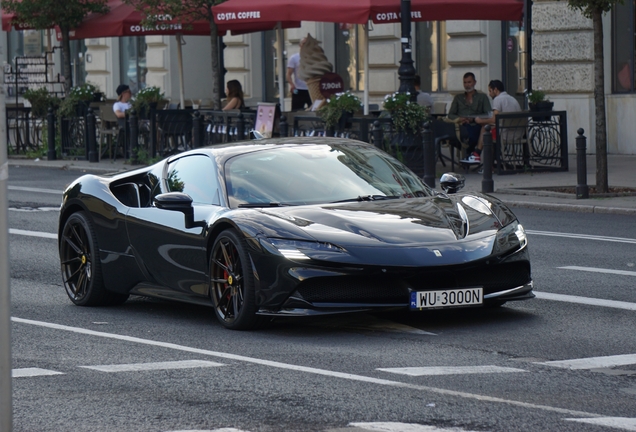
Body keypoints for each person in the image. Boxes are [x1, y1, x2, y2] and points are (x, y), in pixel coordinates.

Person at [463, 79, 522, 163]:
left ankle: (478, 155)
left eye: (490, 91)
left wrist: (480, 121)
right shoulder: (512, 98)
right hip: (518, 133)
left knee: (485, 128)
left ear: (495, 90)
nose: (489, 94)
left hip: (506, 134)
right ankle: (491, 160)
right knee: (491, 128)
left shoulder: (498, 99)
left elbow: (494, 119)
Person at [447, 72, 491, 158]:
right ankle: (468, 155)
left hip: (475, 125)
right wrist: (459, 118)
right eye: (465, 82)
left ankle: (470, 155)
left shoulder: (482, 97)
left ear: (474, 82)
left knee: (473, 134)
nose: (467, 85)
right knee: (455, 136)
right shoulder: (458, 98)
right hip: (461, 125)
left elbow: (488, 114)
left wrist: (473, 119)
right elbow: (451, 114)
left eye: (469, 82)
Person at [286, 37, 312, 111]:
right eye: (304, 43)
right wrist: (292, 84)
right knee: (296, 110)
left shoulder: (313, 58)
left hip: (311, 89)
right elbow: (288, 74)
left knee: (314, 110)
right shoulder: (294, 58)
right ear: (300, 45)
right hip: (298, 89)